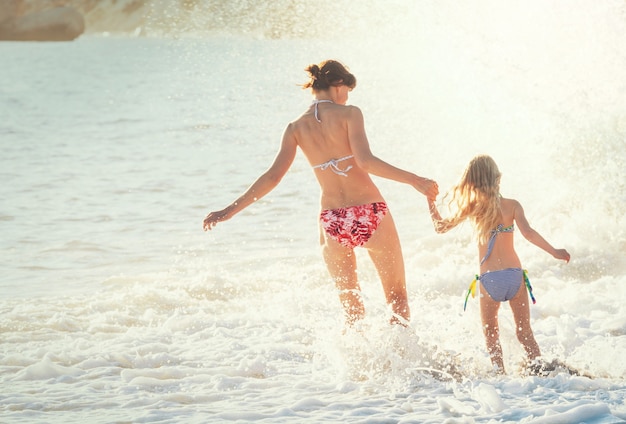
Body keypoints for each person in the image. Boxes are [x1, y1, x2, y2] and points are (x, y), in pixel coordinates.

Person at [203, 59, 438, 326]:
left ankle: (358, 366)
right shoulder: (350, 114)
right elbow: (366, 161)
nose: (347, 97)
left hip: (332, 221)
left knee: (352, 311)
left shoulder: (295, 128)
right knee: (396, 297)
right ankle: (403, 361)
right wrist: (414, 180)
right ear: (338, 85)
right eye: (347, 90)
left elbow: (272, 177)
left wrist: (229, 211)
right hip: (369, 212)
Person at [427, 155, 570, 375]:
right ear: (498, 178)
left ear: (471, 182)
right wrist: (555, 252)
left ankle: (499, 374)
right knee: (524, 333)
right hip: (514, 276)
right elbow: (529, 234)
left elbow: (440, 227)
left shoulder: (473, 208)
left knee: (491, 333)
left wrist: (429, 201)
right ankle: (543, 371)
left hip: (489, 280)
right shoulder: (512, 205)